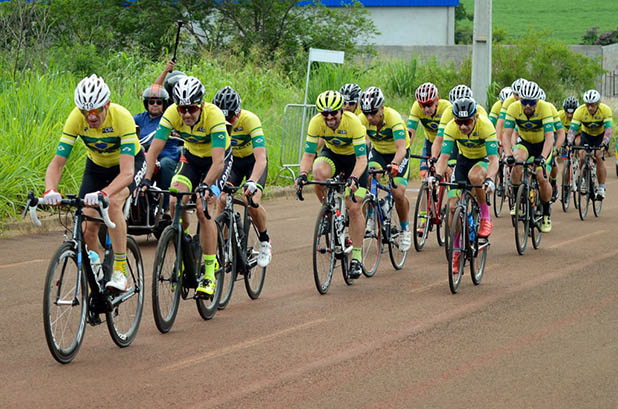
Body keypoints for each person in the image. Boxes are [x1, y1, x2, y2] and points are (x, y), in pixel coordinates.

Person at [42, 74, 145, 292]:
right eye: (84, 112)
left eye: (96, 111)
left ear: (106, 104)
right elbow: (57, 163)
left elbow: (127, 173)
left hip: (128, 165)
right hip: (96, 166)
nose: (90, 117)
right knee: (87, 223)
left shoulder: (122, 118)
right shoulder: (75, 119)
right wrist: (50, 189)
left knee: (115, 202)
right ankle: (97, 268)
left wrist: (105, 193)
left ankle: (119, 271)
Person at [145, 76, 232, 297]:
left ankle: (210, 275)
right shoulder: (172, 113)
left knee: (204, 208)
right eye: (182, 108)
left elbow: (218, 163)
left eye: (191, 109)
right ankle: (185, 248)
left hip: (216, 162)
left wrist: (205, 186)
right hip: (191, 159)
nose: (186, 114)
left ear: (201, 104)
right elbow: (154, 150)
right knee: (174, 200)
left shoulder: (214, 116)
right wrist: (145, 180)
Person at [295, 90, 368, 279]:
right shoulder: (316, 123)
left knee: (353, 207)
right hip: (333, 155)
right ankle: (328, 209)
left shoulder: (353, 123)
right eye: (324, 114)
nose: (329, 118)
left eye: (333, 113)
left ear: (341, 111)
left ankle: (357, 258)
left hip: (354, 160)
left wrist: (353, 178)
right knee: (318, 173)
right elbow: (309, 155)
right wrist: (303, 174)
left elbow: (362, 159)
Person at [433, 97, 498, 273]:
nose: (462, 126)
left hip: (482, 160)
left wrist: (490, 179)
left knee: (475, 176)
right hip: (463, 161)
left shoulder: (485, 126)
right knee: (452, 208)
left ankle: (485, 215)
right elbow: (444, 158)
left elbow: (494, 160)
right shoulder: (451, 128)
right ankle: (455, 250)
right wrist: (437, 176)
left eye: (467, 121)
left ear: (475, 117)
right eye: (459, 122)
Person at [212, 86, 272, 267]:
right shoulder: (214, 122)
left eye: (230, 118)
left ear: (238, 113)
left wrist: (253, 181)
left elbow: (261, 158)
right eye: (223, 119)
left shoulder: (250, 120)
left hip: (253, 162)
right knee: (221, 198)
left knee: (251, 200)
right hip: (233, 164)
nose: (227, 122)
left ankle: (265, 241)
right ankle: (221, 249)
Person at [358, 86, 412, 251]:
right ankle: (372, 214)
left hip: (398, 154)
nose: (370, 117)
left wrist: (394, 164)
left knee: (398, 192)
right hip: (379, 153)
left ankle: (404, 229)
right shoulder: (361, 119)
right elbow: (362, 143)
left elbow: (401, 148)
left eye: (373, 113)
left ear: (382, 108)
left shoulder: (393, 118)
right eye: (366, 113)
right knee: (369, 177)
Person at [502, 81, 555, 232]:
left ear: (537, 101)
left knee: (541, 176)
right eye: (524, 102)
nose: (527, 106)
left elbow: (550, 137)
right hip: (525, 143)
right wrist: (508, 155)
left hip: (542, 144)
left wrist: (543, 157)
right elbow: (506, 135)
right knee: (517, 161)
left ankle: (546, 213)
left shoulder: (544, 108)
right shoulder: (513, 108)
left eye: (531, 103)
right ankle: (516, 199)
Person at [134, 84, 181, 213]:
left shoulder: (170, 118)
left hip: (166, 155)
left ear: (164, 104)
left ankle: (165, 207)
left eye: (159, 102)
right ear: (146, 103)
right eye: (151, 102)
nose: (155, 105)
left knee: (166, 165)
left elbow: (183, 129)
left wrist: (177, 133)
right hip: (144, 154)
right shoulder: (138, 119)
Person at [567, 89, 614, 199]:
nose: (590, 108)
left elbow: (608, 130)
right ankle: (584, 180)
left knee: (598, 156)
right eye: (587, 105)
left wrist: (604, 143)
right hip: (586, 135)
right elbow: (572, 130)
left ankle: (601, 187)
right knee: (582, 156)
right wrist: (569, 142)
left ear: (598, 103)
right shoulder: (579, 111)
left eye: (592, 105)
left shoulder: (605, 110)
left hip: (600, 136)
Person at [406, 82, 451, 178]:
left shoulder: (446, 107)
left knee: (448, 171)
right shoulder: (416, 107)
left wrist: (436, 157)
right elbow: (409, 132)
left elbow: (441, 137)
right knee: (424, 174)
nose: (426, 109)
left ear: (436, 100)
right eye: (422, 105)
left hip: (446, 142)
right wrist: (404, 149)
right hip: (429, 142)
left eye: (429, 104)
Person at [539, 88, 566, 202]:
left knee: (553, 159)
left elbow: (561, 132)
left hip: (551, 135)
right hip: (535, 137)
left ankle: (553, 183)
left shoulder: (550, 108)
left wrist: (557, 149)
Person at [495, 78, 526, 144]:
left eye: (521, 94)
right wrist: (497, 138)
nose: (519, 98)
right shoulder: (508, 101)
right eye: (516, 95)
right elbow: (501, 121)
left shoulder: (531, 103)